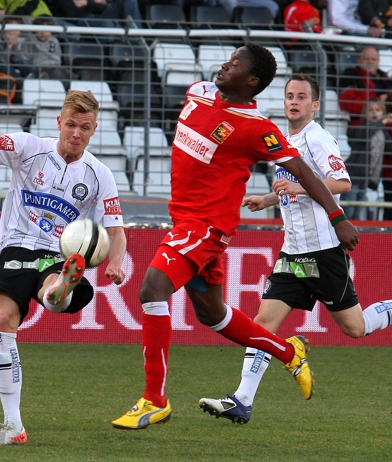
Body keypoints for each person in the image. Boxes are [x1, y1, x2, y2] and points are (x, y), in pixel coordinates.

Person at [110, 43, 360, 431]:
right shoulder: (199, 92)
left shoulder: (257, 128)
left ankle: (153, 400)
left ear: (252, 80)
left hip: (207, 227)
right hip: (184, 222)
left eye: (235, 64)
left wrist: (337, 216)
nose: (224, 66)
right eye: (228, 59)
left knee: (151, 290)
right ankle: (287, 351)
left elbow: (305, 172)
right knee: (212, 314)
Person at [198, 75, 392, 424]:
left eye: (302, 97)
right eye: (290, 96)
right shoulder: (284, 139)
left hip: (322, 252)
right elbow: (294, 184)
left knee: (356, 327)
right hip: (293, 252)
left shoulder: (316, 138)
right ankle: (241, 400)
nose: (294, 102)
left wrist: (297, 187)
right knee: (262, 323)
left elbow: (342, 182)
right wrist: (270, 198)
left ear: (315, 105)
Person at [0, 87, 127, 445]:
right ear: (59, 122)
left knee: (51, 282)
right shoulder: (29, 148)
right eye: (71, 125)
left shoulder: (99, 174)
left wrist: (116, 263)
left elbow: (115, 228)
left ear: (94, 131)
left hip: (58, 254)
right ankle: (13, 426)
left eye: (85, 128)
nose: (76, 134)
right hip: (17, 246)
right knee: (2, 320)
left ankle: (58, 290)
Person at [342, 99, 392, 219]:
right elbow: (365, 133)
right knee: (349, 210)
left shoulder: (381, 131)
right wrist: (383, 121)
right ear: (365, 113)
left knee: (358, 211)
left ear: (382, 112)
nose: (374, 113)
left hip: (365, 177)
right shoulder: (361, 127)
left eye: (378, 110)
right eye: (370, 110)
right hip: (354, 175)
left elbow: (389, 147)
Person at [338, 46, 392, 126]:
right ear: (359, 60)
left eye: (373, 59)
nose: (370, 62)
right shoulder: (350, 77)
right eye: (366, 59)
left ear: (378, 61)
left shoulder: (384, 78)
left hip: (385, 122)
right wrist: (380, 101)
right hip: (362, 123)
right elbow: (348, 104)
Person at [21, 15, 67, 80]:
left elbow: (57, 57)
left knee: (67, 73)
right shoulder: (29, 41)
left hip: (53, 67)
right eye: (40, 30)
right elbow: (25, 58)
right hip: (37, 67)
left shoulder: (54, 41)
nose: (43, 33)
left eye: (46, 30)